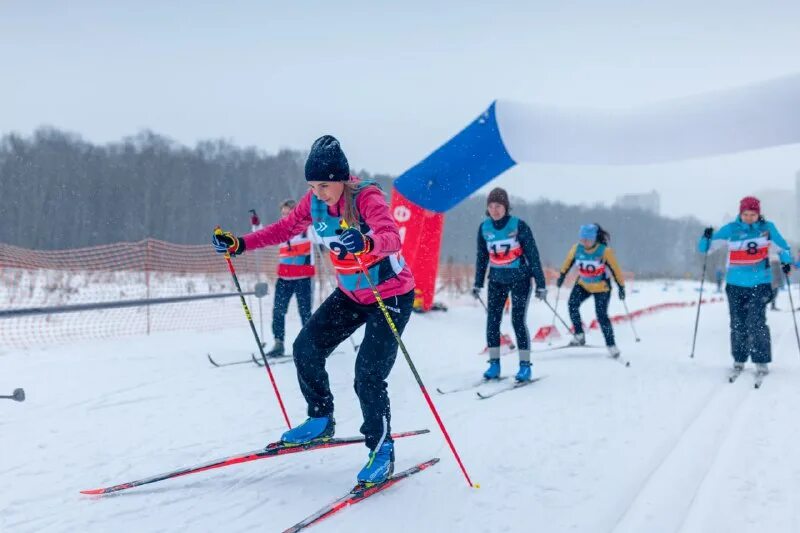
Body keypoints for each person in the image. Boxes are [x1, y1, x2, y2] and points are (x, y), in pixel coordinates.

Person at [212, 135, 415, 485]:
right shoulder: (314, 203)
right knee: (305, 348)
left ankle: (381, 451)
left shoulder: (366, 197)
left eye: (324, 185)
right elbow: (284, 229)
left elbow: (391, 237)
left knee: (367, 374)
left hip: (390, 295)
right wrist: (241, 243)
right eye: (312, 185)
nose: (318, 192)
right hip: (352, 294)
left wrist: (367, 242)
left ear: (343, 179)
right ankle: (321, 419)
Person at [698, 196, 791, 375]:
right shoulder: (731, 229)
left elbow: (783, 247)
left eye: (753, 214)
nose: (749, 217)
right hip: (735, 284)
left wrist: (786, 261)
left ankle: (761, 361)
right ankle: (739, 358)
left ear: (759, 214)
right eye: (746, 214)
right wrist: (706, 237)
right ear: (740, 213)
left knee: (756, 322)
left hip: (761, 282)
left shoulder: (767, 228)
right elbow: (706, 249)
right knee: (738, 323)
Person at [472, 187, 547, 382]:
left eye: (498, 206)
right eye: (491, 206)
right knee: (492, 321)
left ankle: (524, 366)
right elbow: (482, 257)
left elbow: (533, 255)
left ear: (506, 207)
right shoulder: (484, 228)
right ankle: (494, 364)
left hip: (520, 279)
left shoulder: (519, 226)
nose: (495, 210)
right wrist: (478, 283)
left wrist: (541, 284)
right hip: (496, 280)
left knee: (517, 320)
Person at [556, 224, 626, 358]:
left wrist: (621, 287)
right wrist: (562, 275)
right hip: (584, 284)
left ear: (594, 239)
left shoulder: (604, 251)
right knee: (572, 304)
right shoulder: (577, 249)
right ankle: (579, 334)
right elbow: (567, 262)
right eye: (582, 239)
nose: (584, 242)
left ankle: (611, 345)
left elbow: (616, 270)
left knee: (601, 315)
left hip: (602, 288)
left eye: (587, 240)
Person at [264, 199, 315, 357]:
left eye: (289, 213)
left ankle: (311, 344)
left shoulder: (308, 229)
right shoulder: (281, 231)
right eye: (283, 213)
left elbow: (323, 235)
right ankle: (279, 343)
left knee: (305, 312)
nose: (286, 216)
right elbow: (263, 235)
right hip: (284, 279)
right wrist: (255, 225)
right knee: (278, 311)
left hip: (303, 278)